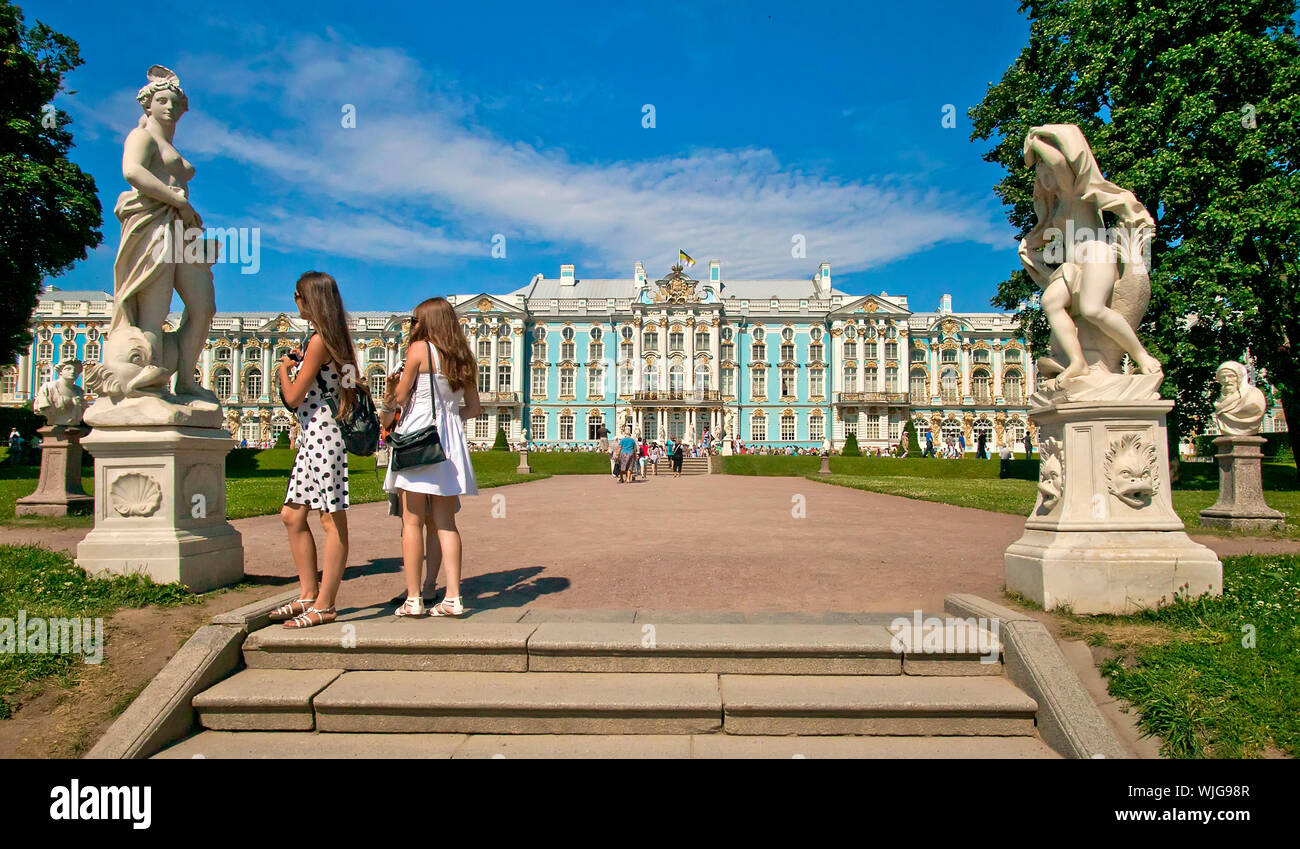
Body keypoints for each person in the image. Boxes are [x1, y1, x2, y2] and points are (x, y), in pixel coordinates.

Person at [270, 272, 360, 629]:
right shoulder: (332, 340)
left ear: (310, 299)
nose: (295, 300)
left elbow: (292, 398)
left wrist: (283, 370)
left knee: (330, 518)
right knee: (292, 516)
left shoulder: (321, 341)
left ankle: (325, 603)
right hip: (313, 437)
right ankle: (308, 593)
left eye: (298, 295)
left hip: (324, 436)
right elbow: (348, 384)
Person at [381, 297, 480, 619]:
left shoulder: (419, 350)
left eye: (415, 320)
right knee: (446, 524)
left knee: (411, 522)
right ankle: (451, 597)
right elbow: (474, 409)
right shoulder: (463, 357)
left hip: (417, 440)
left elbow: (396, 402)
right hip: (450, 443)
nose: (412, 325)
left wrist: (389, 389)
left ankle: (414, 599)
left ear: (425, 321)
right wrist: (449, 417)